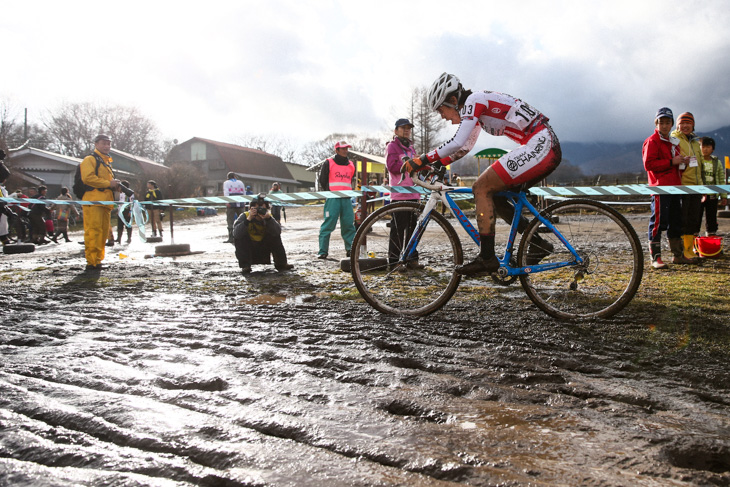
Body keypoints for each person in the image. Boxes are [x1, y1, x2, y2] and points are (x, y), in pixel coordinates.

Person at [403, 73, 561, 275]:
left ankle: (487, 258)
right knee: (494, 195)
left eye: (441, 110)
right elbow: (464, 147)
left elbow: (457, 142)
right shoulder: (476, 104)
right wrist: (438, 165)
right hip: (542, 144)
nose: (442, 116)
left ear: (453, 100)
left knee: (481, 187)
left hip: (541, 144)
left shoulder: (473, 101)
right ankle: (538, 243)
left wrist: (422, 159)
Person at [642, 107, 692, 269]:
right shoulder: (652, 141)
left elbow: (674, 163)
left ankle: (678, 255)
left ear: (671, 124)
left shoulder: (673, 142)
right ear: (656, 123)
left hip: (675, 187)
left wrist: (681, 162)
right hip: (660, 188)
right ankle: (655, 258)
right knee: (658, 222)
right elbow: (648, 164)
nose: (664, 125)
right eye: (661, 122)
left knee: (676, 222)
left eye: (667, 122)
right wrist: (672, 162)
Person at [385, 118, 423, 269]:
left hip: (414, 194)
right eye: (403, 128)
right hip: (400, 195)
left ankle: (411, 259)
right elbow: (392, 166)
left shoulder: (411, 147)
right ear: (396, 131)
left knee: (414, 229)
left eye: (408, 128)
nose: (406, 130)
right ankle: (394, 262)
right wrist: (410, 164)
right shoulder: (392, 146)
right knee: (398, 230)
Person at [81, 134, 121, 271]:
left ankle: (98, 260)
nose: (107, 146)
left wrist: (115, 186)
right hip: (93, 201)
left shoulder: (106, 162)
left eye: (109, 144)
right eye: (104, 143)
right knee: (93, 231)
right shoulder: (90, 159)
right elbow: (88, 178)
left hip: (105, 202)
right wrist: (108, 183)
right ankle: (92, 262)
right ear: (96, 144)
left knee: (103, 233)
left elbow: (106, 183)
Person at [232, 193, 293, 274]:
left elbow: (278, 232)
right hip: (249, 246)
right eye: (257, 207)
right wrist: (248, 220)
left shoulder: (269, 217)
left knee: (275, 236)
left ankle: (281, 264)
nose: (259, 209)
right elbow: (236, 234)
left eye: (262, 207)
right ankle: (245, 266)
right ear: (250, 208)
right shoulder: (244, 216)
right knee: (240, 238)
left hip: (264, 246)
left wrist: (269, 219)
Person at [317, 141, 357, 259]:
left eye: (346, 148)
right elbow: (322, 180)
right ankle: (322, 251)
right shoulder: (328, 162)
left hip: (346, 199)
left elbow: (351, 179)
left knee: (348, 225)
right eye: (342, 149)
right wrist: (329, 192)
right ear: (337, 150)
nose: (345, 151)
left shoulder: (351, 164)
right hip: (333, 198)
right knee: (328, 225)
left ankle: (350, 250)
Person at [671, 112, 702, 263]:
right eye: (682, 123)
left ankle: (690, 249)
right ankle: (681, 251)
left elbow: (700, 165)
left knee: (693, 219)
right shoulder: (674, 139)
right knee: (681, 219)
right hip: (682, 186)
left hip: (696, 187)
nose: (685, 126)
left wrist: (703, 188)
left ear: (693, 125)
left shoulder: (696, 142)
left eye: (688, 123)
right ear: (677, 125)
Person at [698, 137, 726, 236]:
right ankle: (694, 243)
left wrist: (723, 196)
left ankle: (711, 240)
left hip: (713, 195)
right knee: (696, 218)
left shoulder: (716, 162)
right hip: (699, 195)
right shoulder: (697, 160)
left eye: (708, 147)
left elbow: (721, 179)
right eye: (703, 146)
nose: (705, 149)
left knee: (712, 219)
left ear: (712, 149)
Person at [223, 172, 246, 242]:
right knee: (243, 219)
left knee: (230, 220)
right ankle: (244, 236)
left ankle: (231, 237)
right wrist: (244, 202)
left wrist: (227, 202)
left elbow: (226, 192)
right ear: (234, 176)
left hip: (231, 204)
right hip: (240, 203)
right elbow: (244, 192)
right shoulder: (240, 182)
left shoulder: (226, 183)